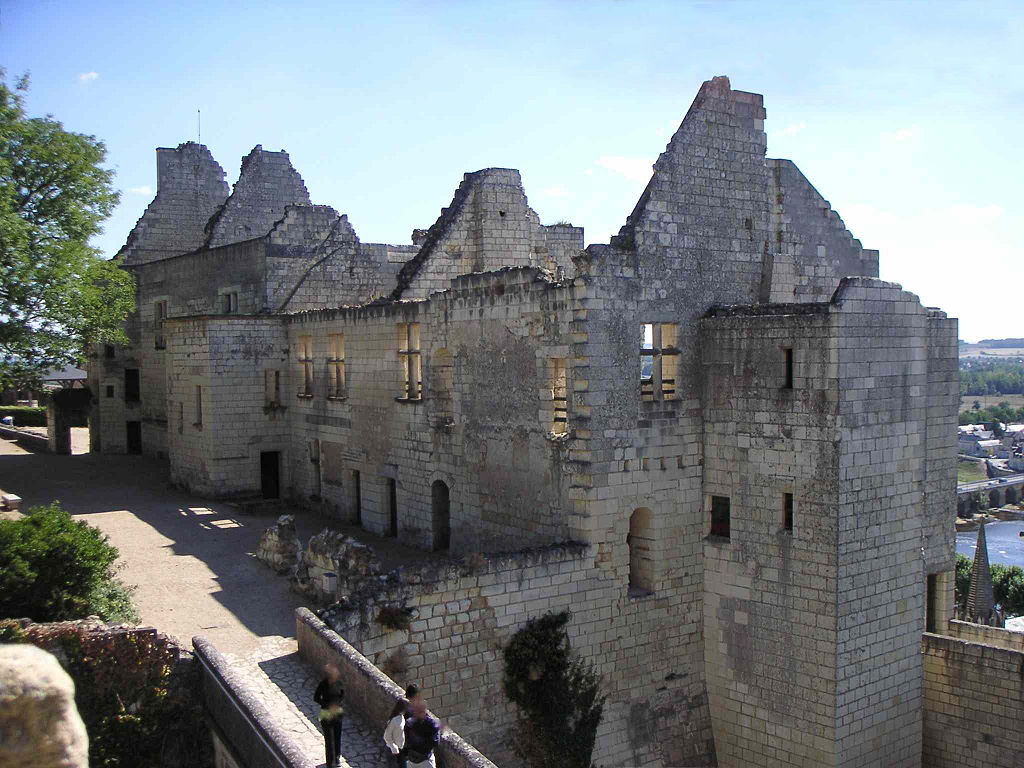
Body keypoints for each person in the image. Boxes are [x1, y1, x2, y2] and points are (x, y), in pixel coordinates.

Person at [313, 664, 345, 768]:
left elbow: (342, 695)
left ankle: (336, 758)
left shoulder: (339, 683)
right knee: (329, 738)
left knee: (337, 737)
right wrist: (326, 705)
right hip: (326, 714)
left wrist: (337, 704)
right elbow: (316, 697)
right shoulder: (323, 684)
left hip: (337, 714)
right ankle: (330, 763)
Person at [401, 684, 441, 768]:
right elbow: (435, 742)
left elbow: (434, 741)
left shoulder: (408, 716)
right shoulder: (410, 717)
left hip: (417, 759)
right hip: (419, 759)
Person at [382, 697, 408, 768]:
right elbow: (386, 736)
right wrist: (394, 747)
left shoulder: (402, 717)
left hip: (401, 749)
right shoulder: (393, 720)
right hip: (392, 751)